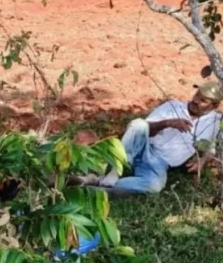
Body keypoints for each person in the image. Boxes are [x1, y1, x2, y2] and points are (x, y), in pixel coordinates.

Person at [89, 82, 223, 193]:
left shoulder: (215, 122)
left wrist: (203, 160)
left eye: (203, 100)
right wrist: (168, 123)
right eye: (197, 95)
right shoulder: (173, 106)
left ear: (214, 106)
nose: (195, 100)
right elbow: (144, 128)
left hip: (160, 162)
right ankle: (114, 172)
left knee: (154, 186)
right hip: (143, 146)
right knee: (139, 124)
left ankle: (99, 186)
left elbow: (211, 148)